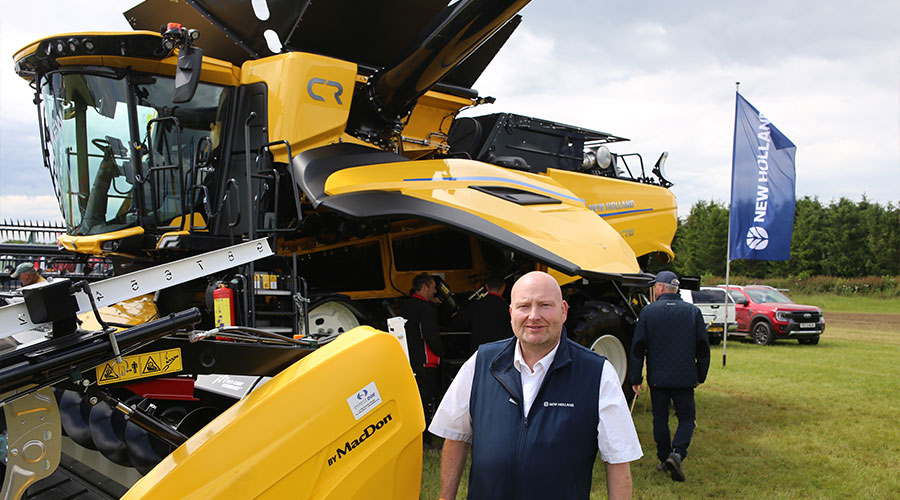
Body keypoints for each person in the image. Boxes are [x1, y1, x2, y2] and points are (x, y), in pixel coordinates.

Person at [429, 271, 641, 500]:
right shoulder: (481, 363)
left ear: (564, 311)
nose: (533, 315)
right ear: (511, 313)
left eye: (545, 305)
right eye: (523, 306)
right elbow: (455, 435)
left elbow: (618, 459)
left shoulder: (596, 373)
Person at [629, 270, 710, 482]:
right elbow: (702, 347)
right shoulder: (692, 312)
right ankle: (678, 453)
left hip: (658, 378)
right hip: (685, 377)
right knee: (686, 418)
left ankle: (665, 458)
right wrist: (701, 374)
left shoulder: (648, 312)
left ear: (661, 288)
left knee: (660, 419)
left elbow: (638, 348)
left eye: (655, 286)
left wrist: (635, 378)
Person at [399, 272, 446, 448]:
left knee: (414, 401)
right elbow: (430, 335)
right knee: (427, 401)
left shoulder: (406, 305)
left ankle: (417, 438)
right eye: (433, 288)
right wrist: (442, 351)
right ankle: (426, 441)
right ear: (425, 287)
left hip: (410, 359)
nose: (434, 293)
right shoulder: (424, 308)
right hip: (427, 360)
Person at [450, 274, 513, 354]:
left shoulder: (475, 305)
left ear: (486, 286)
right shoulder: (507, 308)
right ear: (504, 287)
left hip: (478, 352)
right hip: (499, 353)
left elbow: (459, 324)